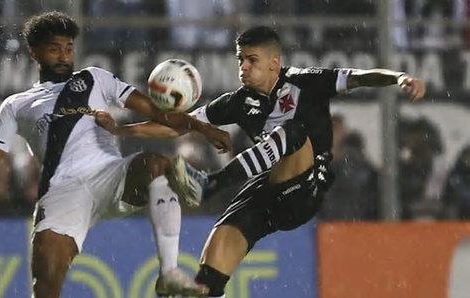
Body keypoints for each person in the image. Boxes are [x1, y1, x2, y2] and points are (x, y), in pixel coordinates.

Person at [94, 26, 426, 298]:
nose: (243, 68)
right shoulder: (239, 102)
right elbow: (178, 124)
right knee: (206, 279)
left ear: (274, 63)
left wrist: (397, 77)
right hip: (265, 189)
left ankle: (210, 184)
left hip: (305, 187)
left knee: (293, 130)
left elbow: (360, 77)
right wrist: (121, 129)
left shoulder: (306, 82)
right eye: (240, 60)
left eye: (252, 60)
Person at [0, 11, 232, 298]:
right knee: (45, 288)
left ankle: (169, 273)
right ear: (34, 52)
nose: (64, 55)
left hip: (110, 175)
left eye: (68, 48)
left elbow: (157, 112)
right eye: (54, 48)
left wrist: (200, 127)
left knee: (158, 165)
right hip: (62, 193)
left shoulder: (95, 78)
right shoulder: (17, 104)